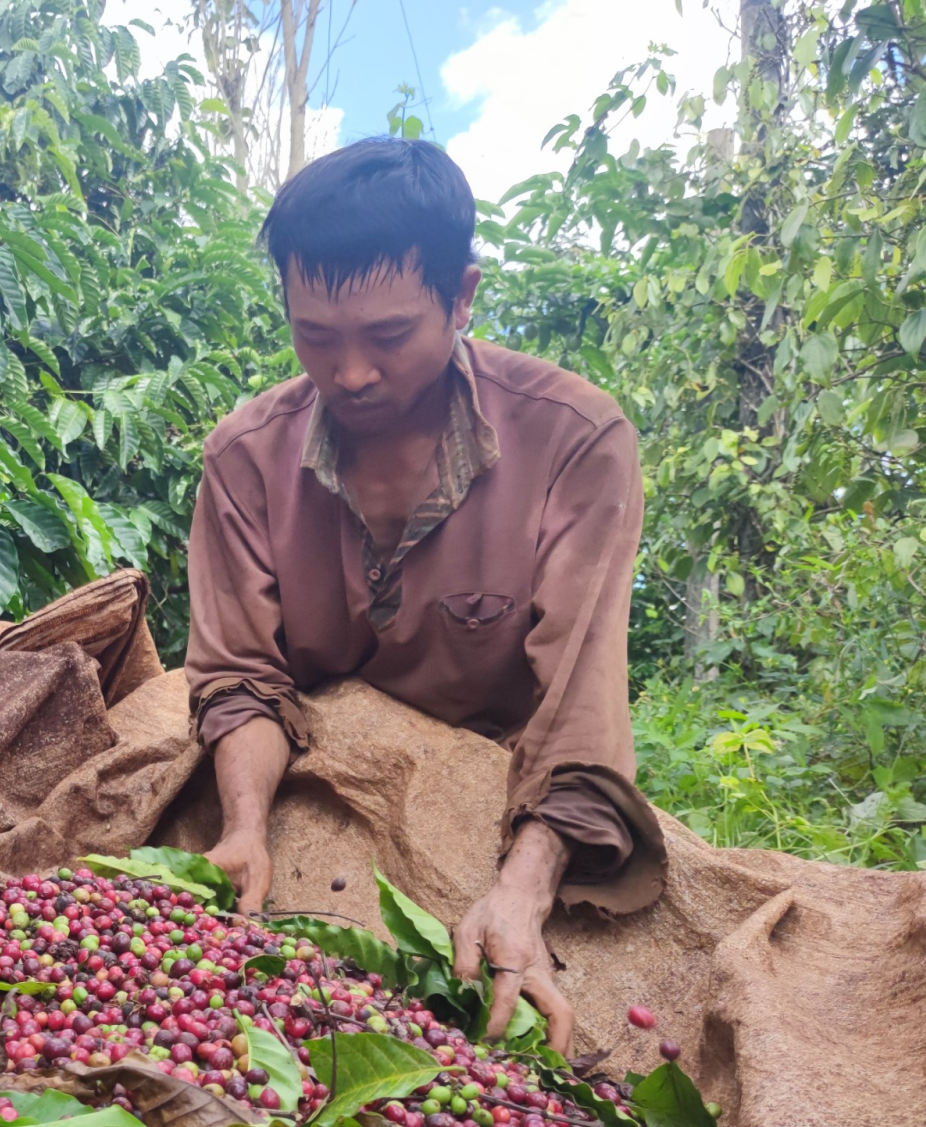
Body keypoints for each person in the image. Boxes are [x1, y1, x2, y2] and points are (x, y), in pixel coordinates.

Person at [185, 137, 665, 1056]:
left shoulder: (576, 440)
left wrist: (521, 890)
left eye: (390, 336)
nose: (352, 373)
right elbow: (241, 674)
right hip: (315, 770)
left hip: (486, 780)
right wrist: (245, 826)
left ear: (463, 298)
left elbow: (577, 707)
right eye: (316, 338)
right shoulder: (244, 456)